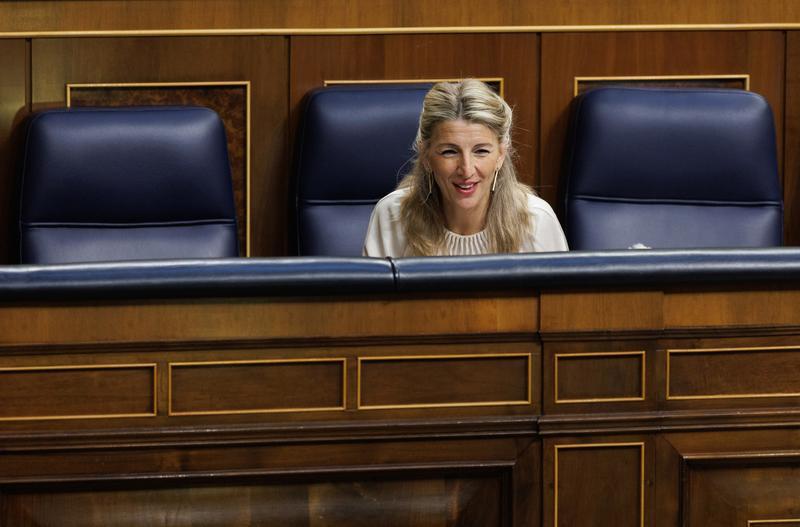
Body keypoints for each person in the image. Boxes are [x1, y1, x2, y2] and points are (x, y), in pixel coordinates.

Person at [362, 79, 568, 257]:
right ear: (426, 156)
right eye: (450, 152)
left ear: (500, 155)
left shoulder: (536, 221)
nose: (466, 170)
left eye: (481, 151)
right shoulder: (392, 217)